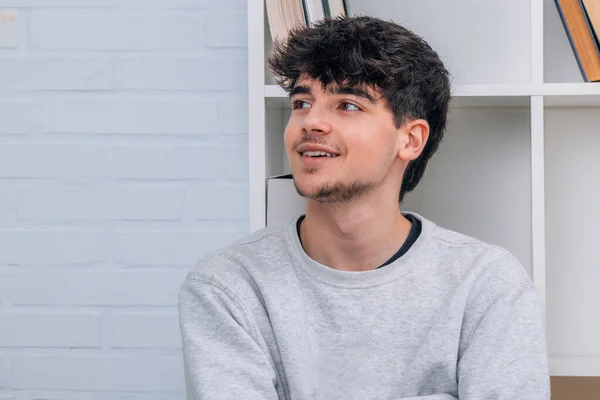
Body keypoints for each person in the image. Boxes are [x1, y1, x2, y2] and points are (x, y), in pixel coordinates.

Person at [178, 15, 550, 400]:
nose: (312, 122)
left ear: (410, 139)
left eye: (347, 105)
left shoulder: (486, 284)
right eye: (302, 102)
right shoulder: (229, 285)